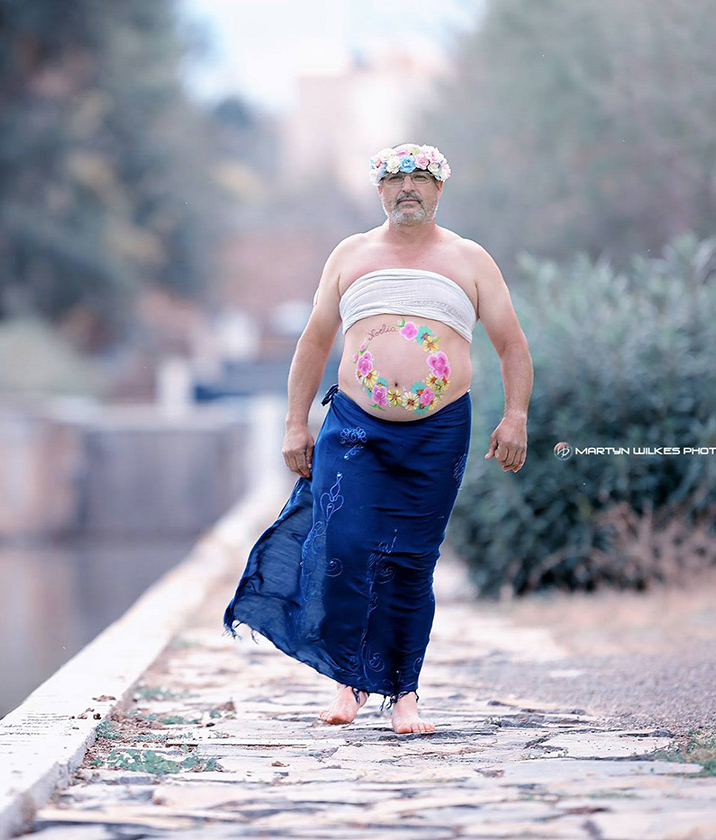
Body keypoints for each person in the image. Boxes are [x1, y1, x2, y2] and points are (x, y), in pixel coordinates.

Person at [224, 143, 532, 735]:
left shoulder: (470, 260)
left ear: (440, 190)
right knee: (344, 547)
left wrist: (514, 415)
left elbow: (512, 345)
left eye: (419, 179)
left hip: (438, 432)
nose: (407, 188)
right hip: (356, 429)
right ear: (379, 191)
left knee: (412, 562)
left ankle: (404, 692)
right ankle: (349, 678)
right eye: (395, 179)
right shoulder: (350, 255)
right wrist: (295, 423)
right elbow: (313, 342)